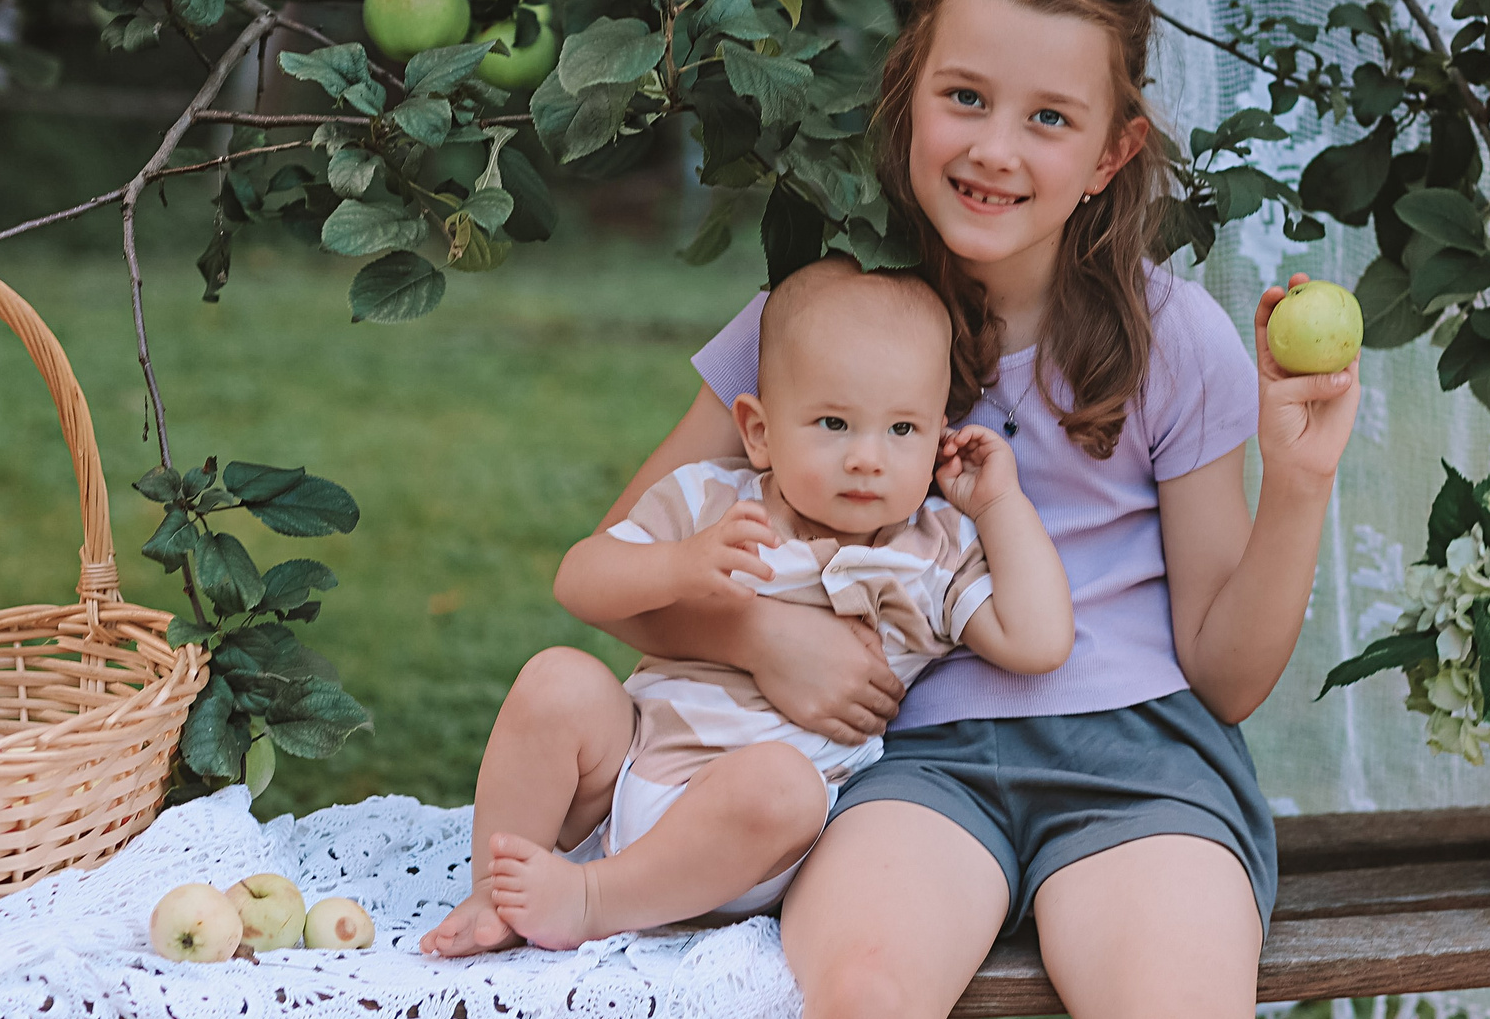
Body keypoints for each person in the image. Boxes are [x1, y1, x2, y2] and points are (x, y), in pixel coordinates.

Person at [576, 0, 1359, 1019]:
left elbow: (1227, 673)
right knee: (861, 1011)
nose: (997, 147)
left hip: (1141, 766)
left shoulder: (1173, 338)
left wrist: (1298, 482)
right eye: (966, 97)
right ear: (909, 96)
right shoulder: (817, 322)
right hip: (908, 763)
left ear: (1111, 152)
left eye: (1049, 118)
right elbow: (630, 555)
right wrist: (759, 638)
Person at [419, 256, 1073, 957]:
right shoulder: (714, 498)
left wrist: (999, 504)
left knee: (784, 786)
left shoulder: (930, 552)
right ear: (759, 431)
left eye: (903, 430)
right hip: (635, 760)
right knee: (557, 680)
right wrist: (680, 563)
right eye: (834, 422)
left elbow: (1038, 641)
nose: (868, 457)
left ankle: (593, 899)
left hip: (747, 839)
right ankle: (494, 894)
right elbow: (578, 577)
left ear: (940, 432)